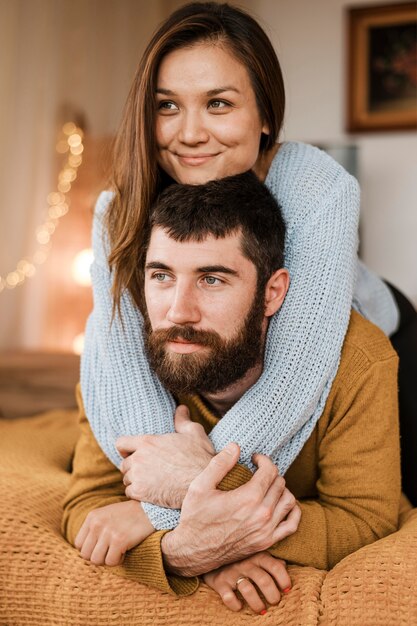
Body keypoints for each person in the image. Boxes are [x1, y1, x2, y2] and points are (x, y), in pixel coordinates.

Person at [62, 172, 401, 615]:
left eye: (212, 280)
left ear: (271, 293)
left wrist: (190, 491)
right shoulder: (119, 360)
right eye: (161, 276)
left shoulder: (357, 359)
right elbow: (85, 507)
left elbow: (365, 521)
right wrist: (190, 552)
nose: (178, 311)